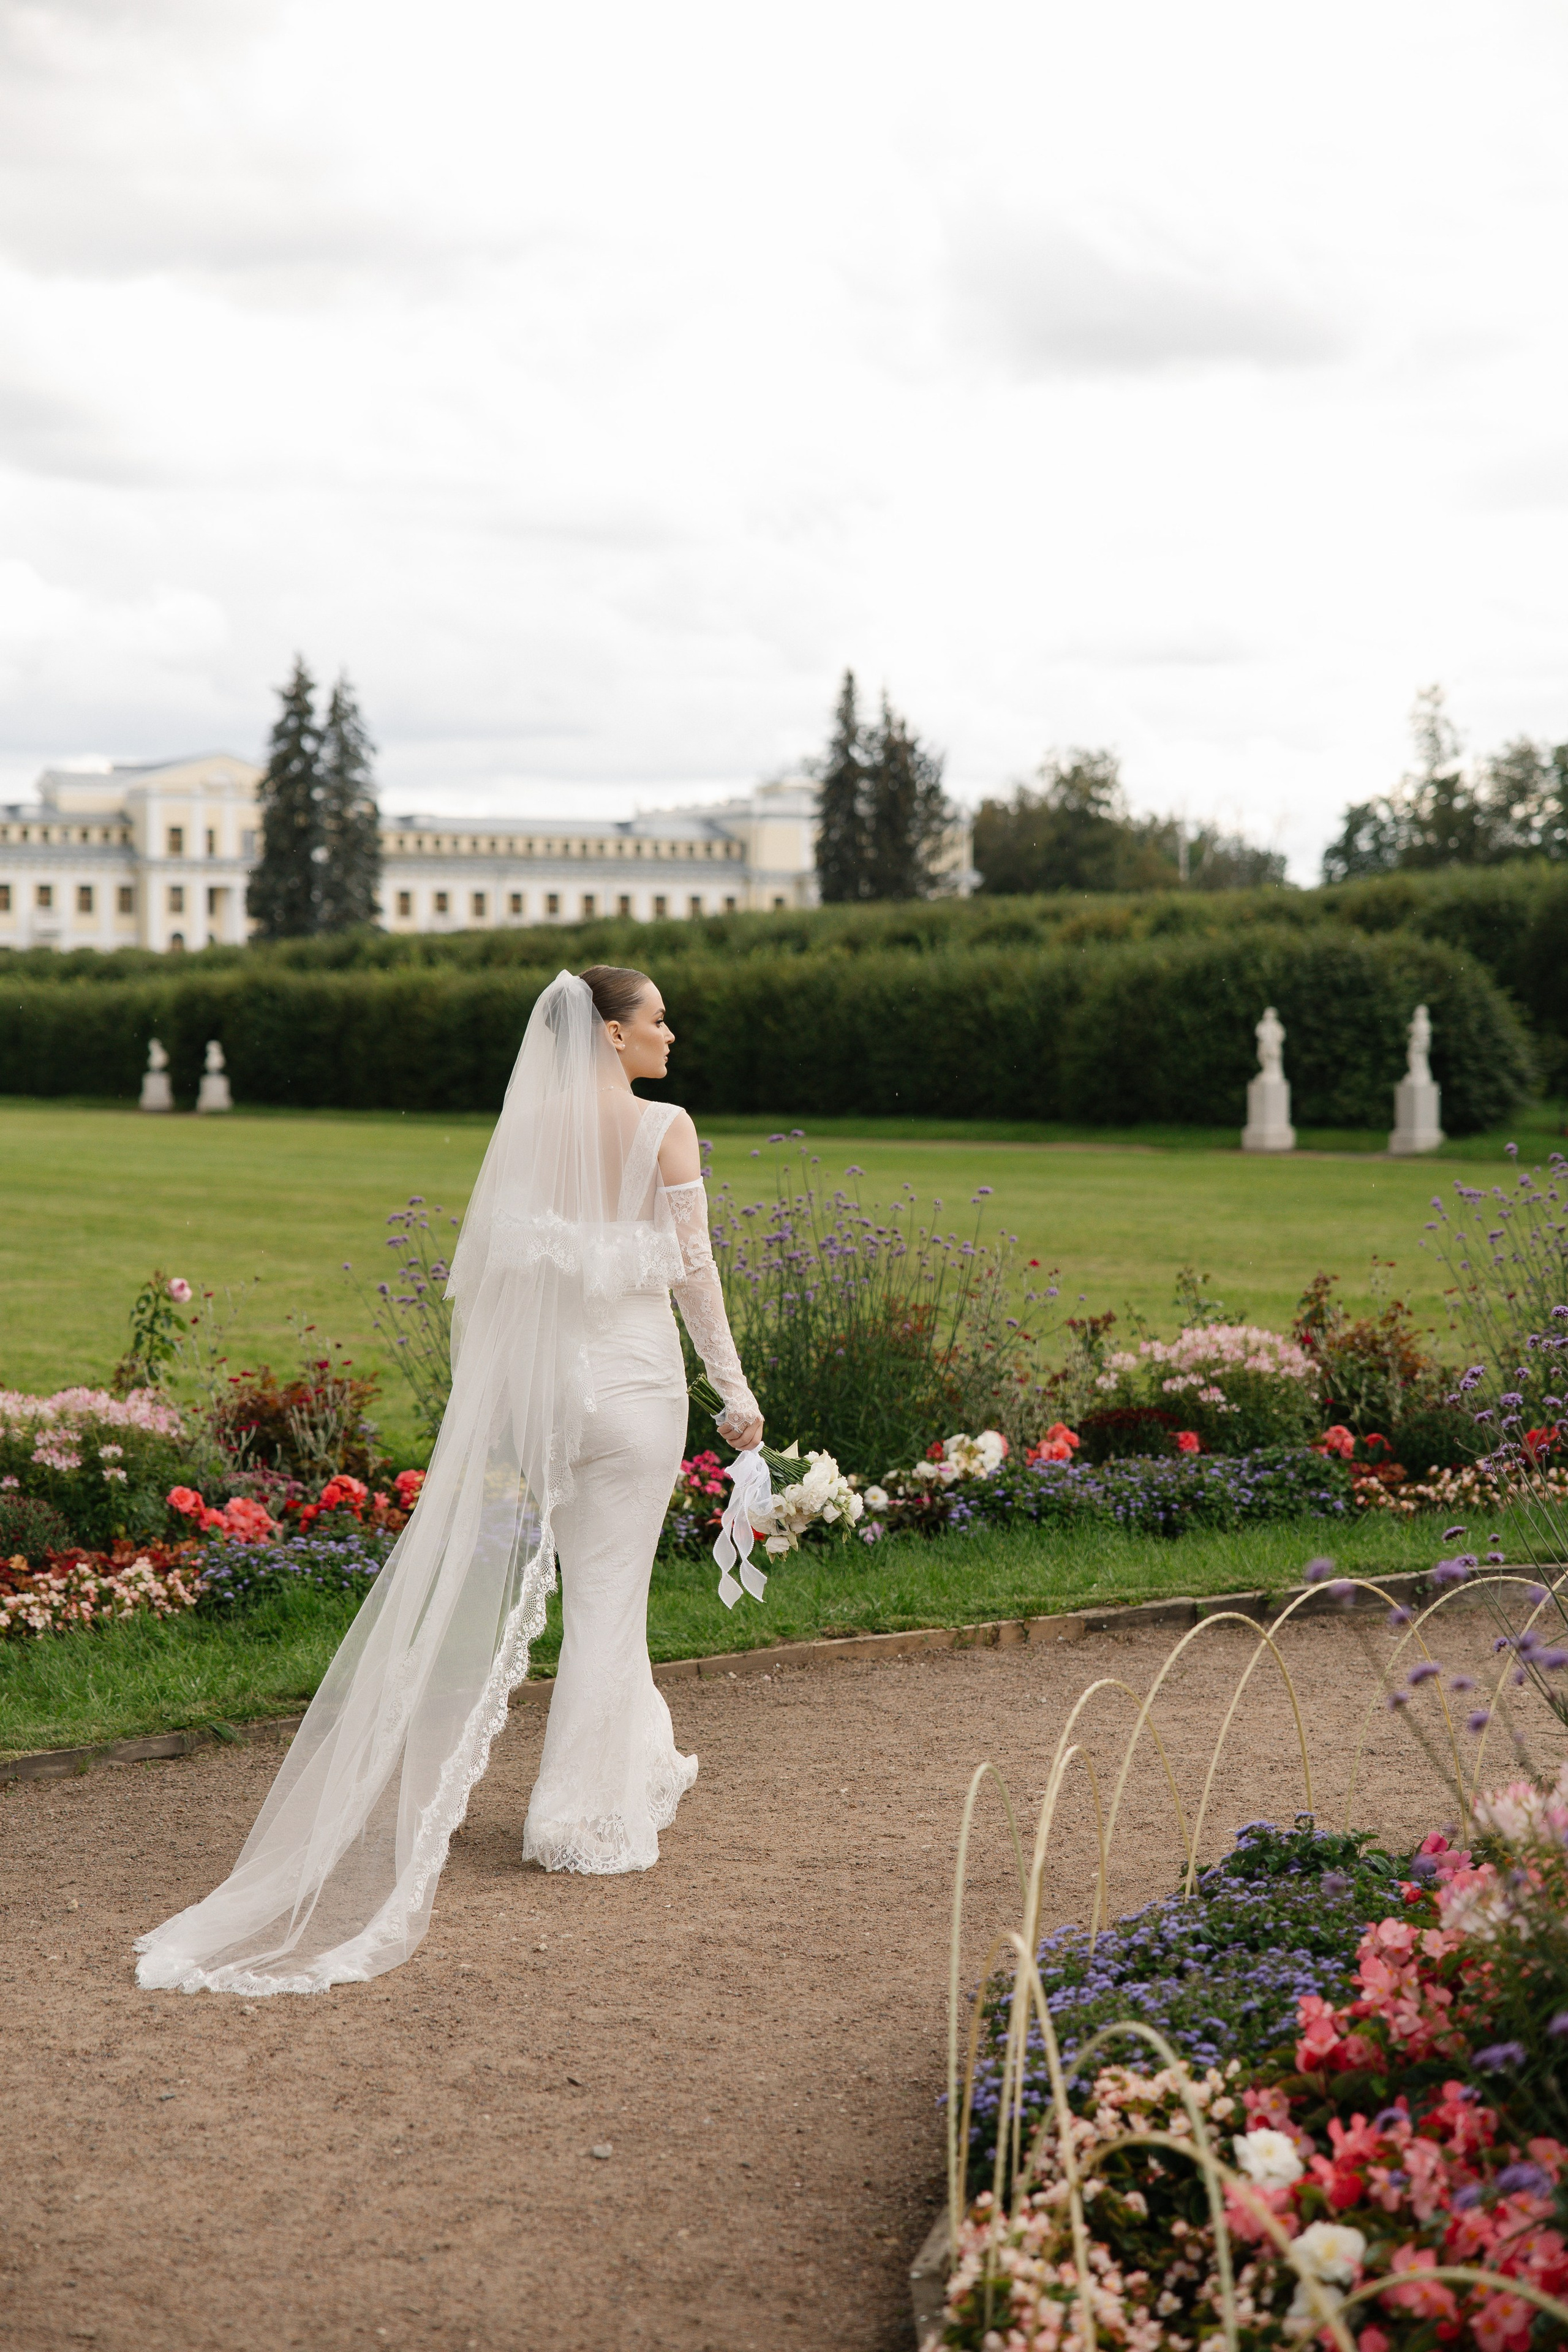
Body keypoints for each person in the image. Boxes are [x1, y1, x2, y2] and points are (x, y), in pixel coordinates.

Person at [135, 967, 762, 1996]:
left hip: (553, 1399)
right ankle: (580, 1816)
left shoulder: (533, 1130)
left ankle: (639, 1766)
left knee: (605, 1589)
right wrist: (734, 1392)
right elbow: (697, 1274)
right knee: (611, 1592)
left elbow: (489, 1281)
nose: (671, 1033)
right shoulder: (667, 1127)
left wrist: (503, 1406)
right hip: (641, 1390)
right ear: (610, 1033)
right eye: (655, 1019)